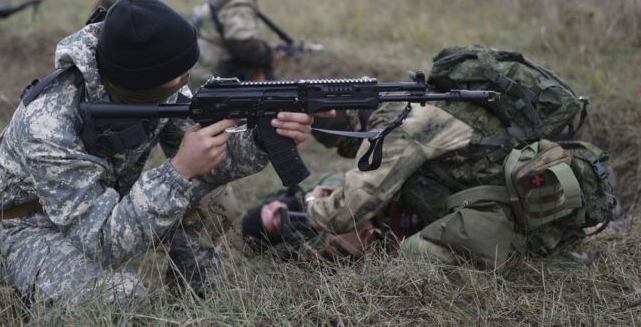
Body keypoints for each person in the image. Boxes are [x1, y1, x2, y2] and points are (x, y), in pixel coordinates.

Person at [0, 0, 321, 305]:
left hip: (102, 208)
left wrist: (263, 137)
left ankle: (193, 299)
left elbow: (212, 156)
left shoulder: (156, 83)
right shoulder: (50, 123)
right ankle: (31, 287)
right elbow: (102, 240)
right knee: (120, 298)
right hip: (30, 227)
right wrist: (178, 172)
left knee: (216, 200)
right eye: (176, 77)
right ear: (139, 82)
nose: (184, 81)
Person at [242, 47, 617, 270]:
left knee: (412, 255)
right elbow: (368, 141)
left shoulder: (407, 128)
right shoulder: (423, 105)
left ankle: (532, 254)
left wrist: (309, 209)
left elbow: (346, 211)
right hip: (533, 199)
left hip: (522, 222)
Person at [191, 0, 285, 84]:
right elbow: (242, 43)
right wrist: (270, 55)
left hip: (201, 68)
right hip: (210, 76)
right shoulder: (239, 2)